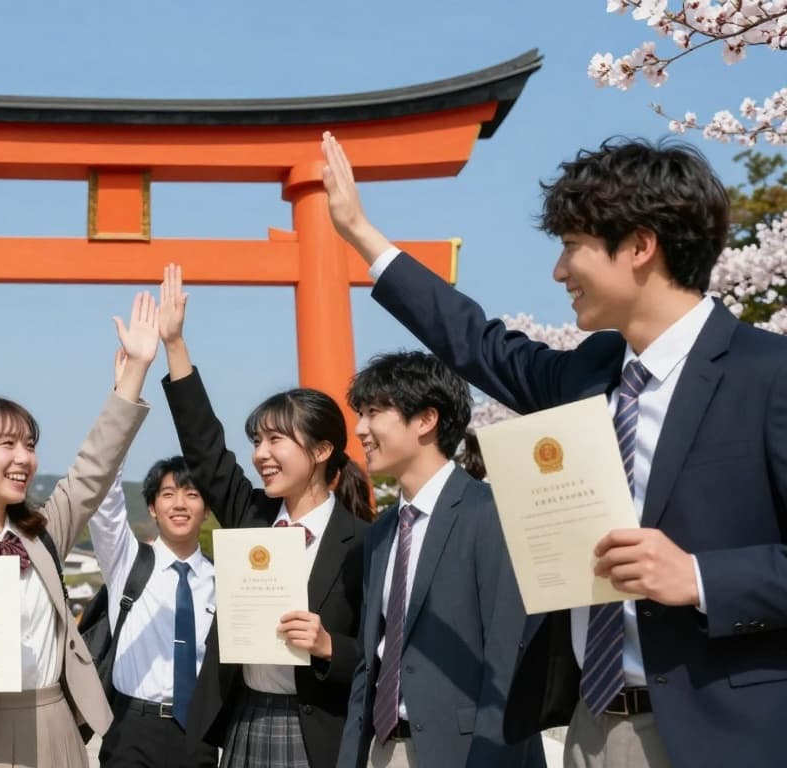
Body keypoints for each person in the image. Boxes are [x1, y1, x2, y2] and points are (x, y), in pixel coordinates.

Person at [320, 132, 787, 768]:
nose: (559, 271)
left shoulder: (769, 375)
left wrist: (701, 578)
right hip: (589, 729)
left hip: (721, 731)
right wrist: (361, 236)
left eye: (572, 247)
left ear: (641, 246)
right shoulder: (590, 373)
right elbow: (476, 344)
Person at [0, 291, 159, 767]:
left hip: (53, 725)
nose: (24, 458)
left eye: (30, 444)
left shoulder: (44, 534)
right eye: (7, 444)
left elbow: (92, 468)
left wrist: (135, 372)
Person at [157, 264, 372, 768]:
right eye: (257, 440)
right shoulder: (251, 514)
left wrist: (325, 646)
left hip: (315, 727)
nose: (261, 454)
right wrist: (175, 345)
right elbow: (205, 447)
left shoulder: (362, 541)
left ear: (321, 451)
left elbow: (376, 655)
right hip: (244, 718)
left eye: (276, 439)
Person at [337, 351, 543, 768]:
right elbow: (368, 664)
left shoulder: (491, 513)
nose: (360, 429)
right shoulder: (381, 532)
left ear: (426, 420)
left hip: (466, 753)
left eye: (374, 412)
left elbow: (509, 662)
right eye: (360, 413)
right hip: (381, 750)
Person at [88, 396, 218, 768]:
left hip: (198, 731)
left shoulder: (221, 580)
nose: (180, 504)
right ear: (151, 507)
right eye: (168, 494)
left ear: (206, 509)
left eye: (192, 494)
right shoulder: (127, 561)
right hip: (133, 727)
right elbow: (105, 500)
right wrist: (124, 401)